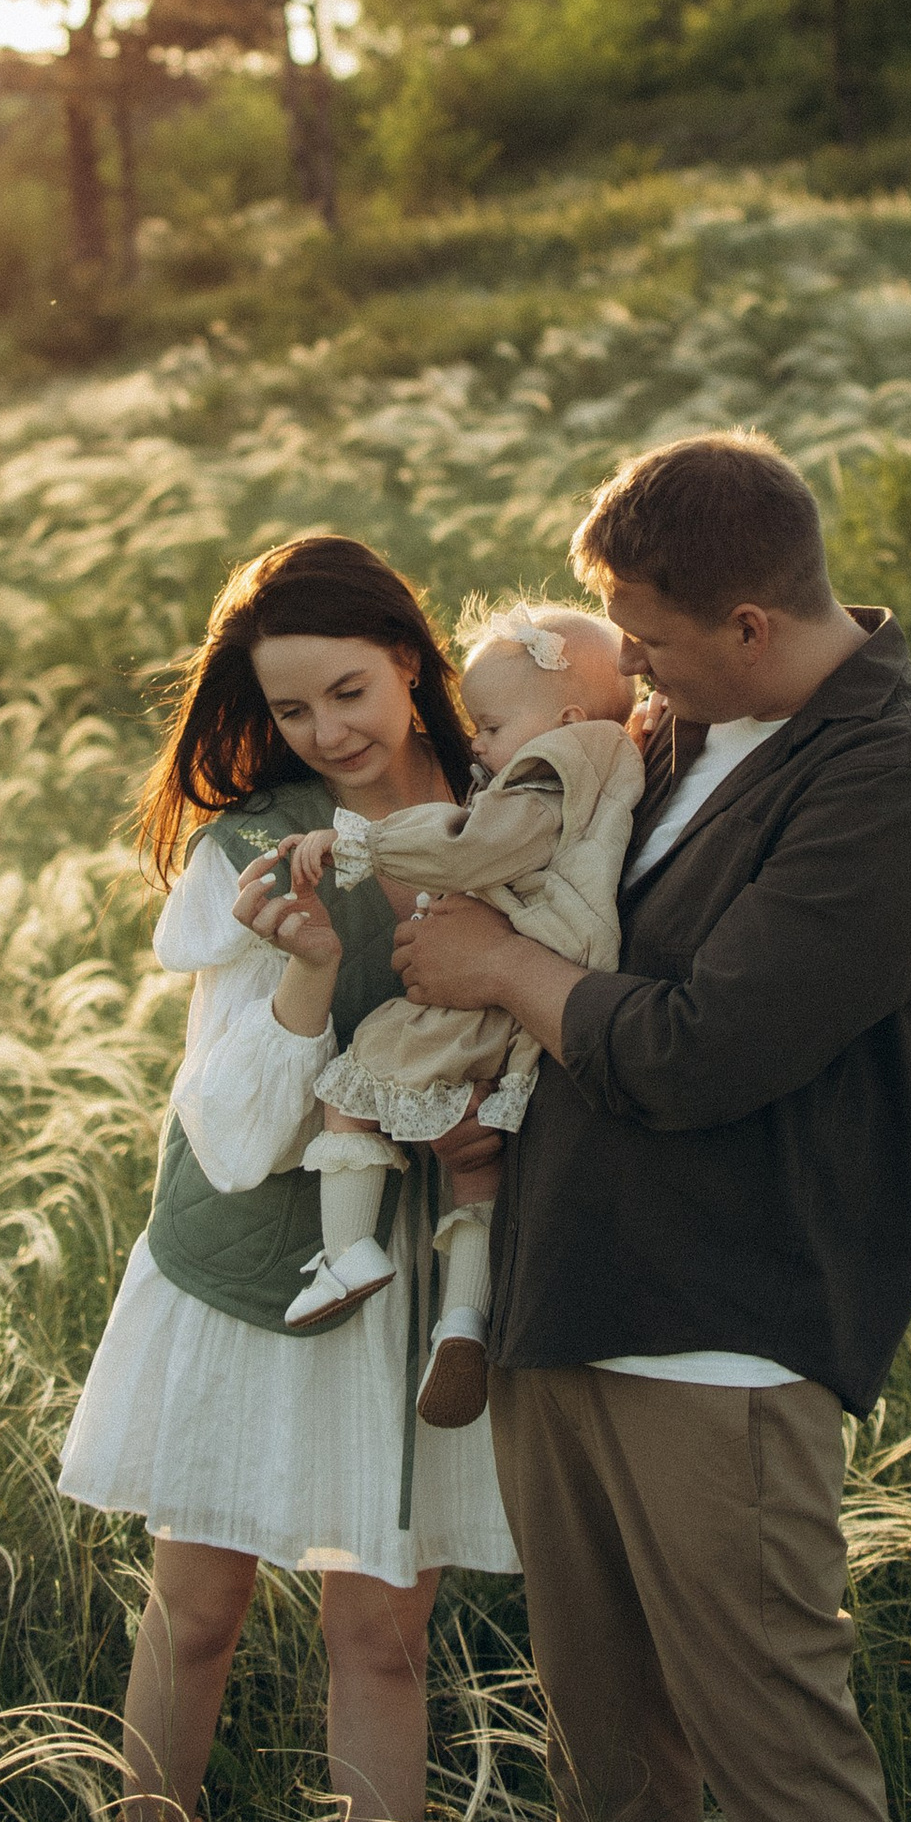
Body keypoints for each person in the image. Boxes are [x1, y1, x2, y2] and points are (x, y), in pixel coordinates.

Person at [392, 429, 911, 1822]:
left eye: (645, 630)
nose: (619, 658)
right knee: (606, 1739)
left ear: (751, 616)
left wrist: (505, 981)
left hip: (731, 1330)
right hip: (567, 1299)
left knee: (774, 1752)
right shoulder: (675, 731)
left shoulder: (899, 782)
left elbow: (704, 1048)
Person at [56, 531, 519, 1822]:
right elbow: (243, 1133)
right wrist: (311, 974)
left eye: (352, 689)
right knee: (197, 1609)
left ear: (411, 658)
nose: (331, 731)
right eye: (297, 709)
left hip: (419, 1271)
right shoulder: (253, 848)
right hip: (257, 1260)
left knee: (381, 1631)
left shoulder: (521, 811)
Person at [275, 603, 641, 1432]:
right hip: (547, 988)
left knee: (356, 1076)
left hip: (503, 975)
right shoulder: (609, 756)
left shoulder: (550, 767)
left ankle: (346, 1252)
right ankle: (463, 1324)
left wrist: (364, 845)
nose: (474, 743)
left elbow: (480, 849)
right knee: (477, 1170)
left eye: (491, 724)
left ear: (566, 718)